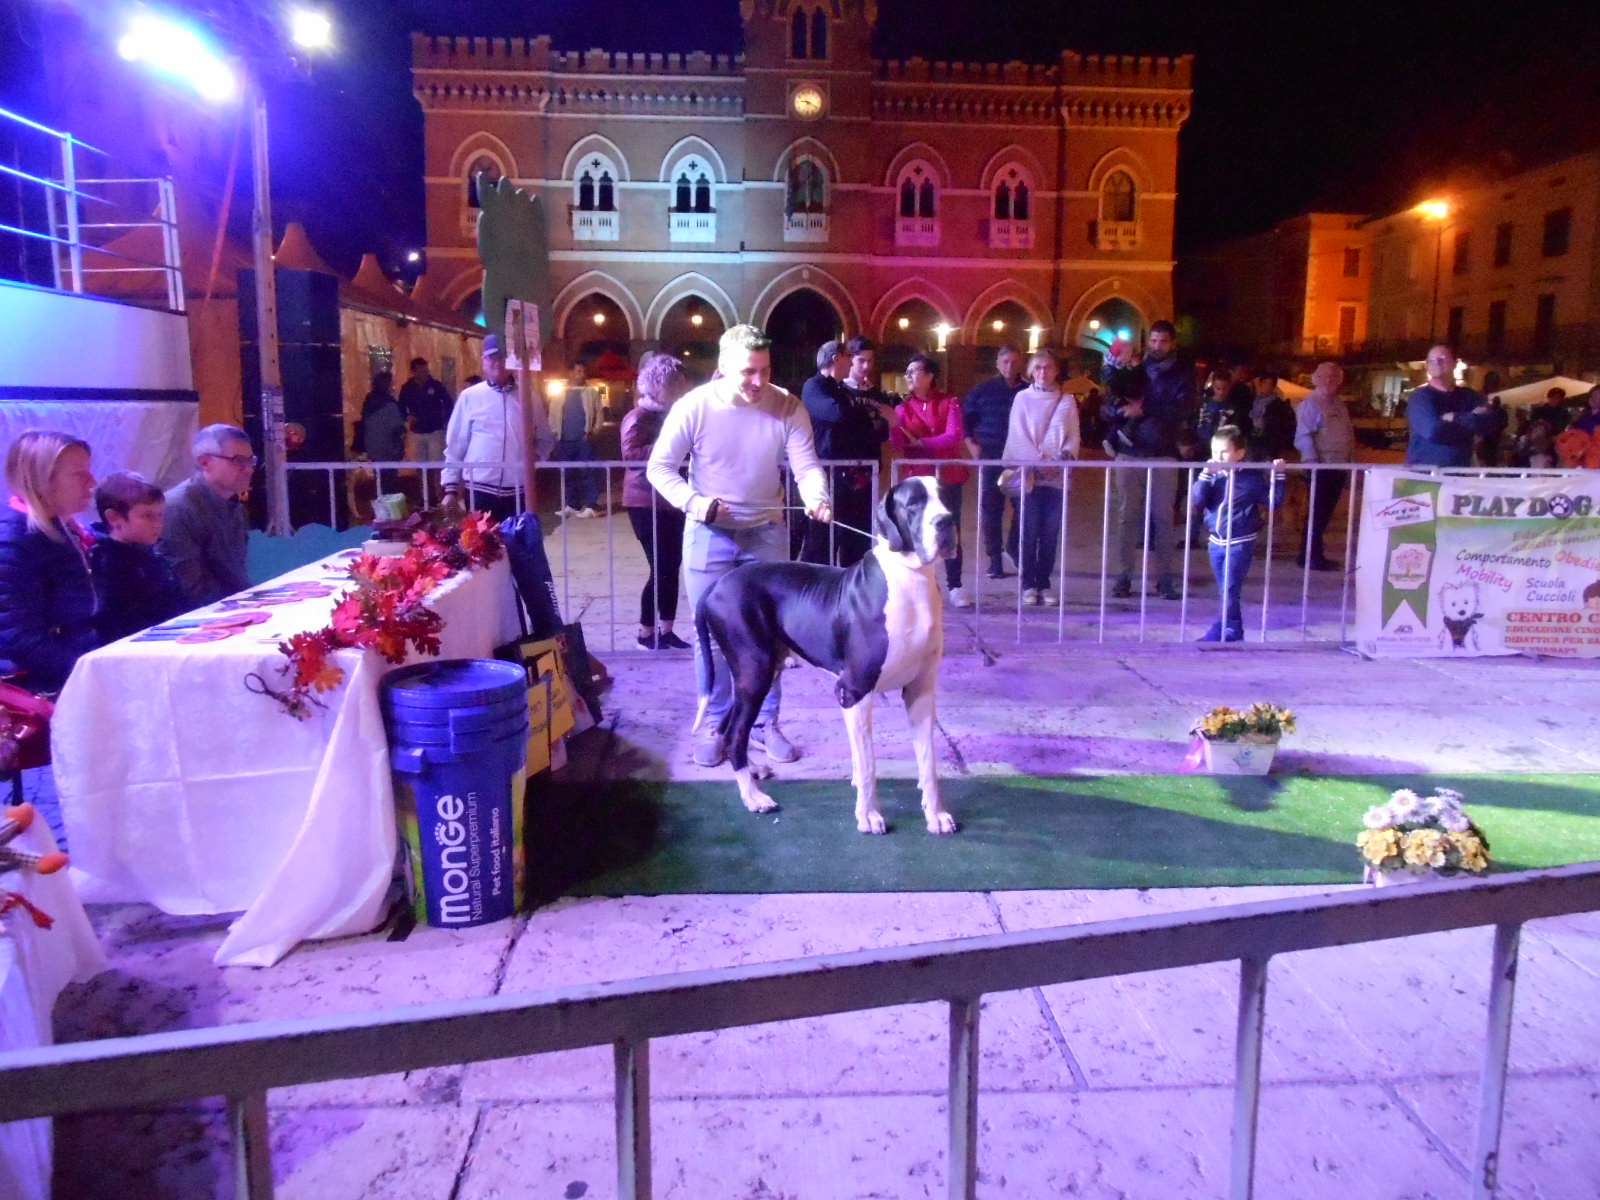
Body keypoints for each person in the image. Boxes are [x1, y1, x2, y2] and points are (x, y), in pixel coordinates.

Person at [647, 324, 831, 768]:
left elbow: (806, 466)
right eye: (748, 371)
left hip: (766, 531)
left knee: (773, 635)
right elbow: (659, 468)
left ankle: (766, 723)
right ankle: (717, 723)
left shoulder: (787, 406)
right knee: (709, 633)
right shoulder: (694, 407)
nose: (758, 381)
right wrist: (696, 503)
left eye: (765, 370)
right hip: (708, 532)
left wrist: (816, 496)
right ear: (724, 366)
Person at [0, 430, 97, 693]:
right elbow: (19, 640)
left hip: (70, 672)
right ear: (42, 479)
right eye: (80, 474)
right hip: (36, 687)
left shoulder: (61, 528)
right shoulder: (12, 542)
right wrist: (91, 676)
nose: (92, 481)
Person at [1102, 321, 1193, 600]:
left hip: (1163, 452)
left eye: (1163, 341)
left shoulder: (1183, 373)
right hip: (1129, 453)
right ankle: (1124, 576)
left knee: (1164, 519)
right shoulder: (1136, 369)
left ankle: (1165, 579)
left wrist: (1145, 409)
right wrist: (1121, 411)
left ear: (1172, 343)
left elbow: (1183, 407)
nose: (1157, 346)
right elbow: (1109, 404)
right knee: (1126, 517)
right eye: (1153, 341)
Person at [441, 334, 556, 522]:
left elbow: (545, 438)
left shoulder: (528, 396)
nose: (498, 363)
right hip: (479, 488)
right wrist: (450, 489)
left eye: (503, 357)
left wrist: (535, 457)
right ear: (483, 362)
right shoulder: (470, 397)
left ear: (511, 361)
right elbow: (455, 445)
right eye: (492, 357)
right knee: (481, 539)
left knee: (516, 539)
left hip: (517, 489)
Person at [621, 352, 692, 650]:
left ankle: (666, 630)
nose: (681, 390)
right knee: (660, 566)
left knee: (671, 565)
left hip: (670, 500)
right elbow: (630, 453)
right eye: (675, 385)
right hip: (644, 501)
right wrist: (668, 447)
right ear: (659, 386)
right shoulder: (638, 417)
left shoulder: (669, 416)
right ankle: (645, 632)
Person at [1190, 425, 1286, 643]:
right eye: (1214, 451)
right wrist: (1205, 475)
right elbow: (1198, 501)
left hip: (1240, 542)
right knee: (1225, 590)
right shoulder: (1213, 477)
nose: (1218, 457)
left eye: (1224, 452)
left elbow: (1273, 501)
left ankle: (1219, 629)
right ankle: (1234, 630)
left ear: (1240, 453)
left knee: (1230, 589)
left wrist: (1279, 476)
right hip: (1215, 542)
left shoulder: (1251, 479)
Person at [890, 353, 971, 606]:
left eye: (914, 371)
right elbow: (899, 443)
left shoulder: (949, 403)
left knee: (950, 529)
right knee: (918, 531)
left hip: (948, 477)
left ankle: (955, 585)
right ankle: (921, 584)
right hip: (917, 479)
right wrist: (893, 425)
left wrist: (923, 443)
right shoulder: (902, 409)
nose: (908, 376)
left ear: (929, 376)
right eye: (907, 372)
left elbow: (954, 435)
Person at [1002, 347, 1080, 606]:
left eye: (1048, 367)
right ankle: (1027, 584)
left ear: (1056, 371)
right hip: (1029, 475)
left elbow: (1073, 437)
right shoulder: (1022, 398)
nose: (1043, 372)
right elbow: (1018, 434)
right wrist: (1036, 463)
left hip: (1056, 477)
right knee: (1028, 530)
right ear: (1030, 371)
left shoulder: (1067, 401)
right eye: (1038, 367)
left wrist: (1058, 461)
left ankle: (1044, 582)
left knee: (1050, 533)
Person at [800, 339, 884, 568]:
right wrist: (862, 413)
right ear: (837, 359)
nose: (852, 362)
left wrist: (863, 416)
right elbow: (836, 414)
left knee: (854, 538)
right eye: (849, 356)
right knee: (822, 540)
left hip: (850, 477)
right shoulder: (814, 386)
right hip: (826, 474)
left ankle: (852, 582)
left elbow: (872, 427)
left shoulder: (841, 390)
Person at [160, 423, 255, 607]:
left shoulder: (236, 507)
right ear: (205, 462)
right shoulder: (177, 508)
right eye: (238, 461)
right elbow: (191, 591)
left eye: (251, 461)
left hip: (231, 608)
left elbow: (236, 577)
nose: (249, 469)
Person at [88, 471, 186, 643]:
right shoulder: (105, 566)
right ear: (114, 518)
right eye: (148, 516)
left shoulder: (152, 554)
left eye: (160, 515)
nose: (158, 523)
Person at [961, 343, 1025, 580]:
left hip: (1020, 457)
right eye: (1005, 361)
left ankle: (1014, 547)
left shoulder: (1028, 391)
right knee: (991, 509)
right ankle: (994, 558)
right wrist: (971, 445)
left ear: (1021, 364)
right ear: (998, 364)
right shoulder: (982, 391)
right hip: (991, 454)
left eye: (1014, 362)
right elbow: (966, 420)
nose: (1010, 366)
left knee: (1023, 506)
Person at [1292, 361, 1356, 571]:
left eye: (1334, 376)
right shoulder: (1310, 404)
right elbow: (1303, 436)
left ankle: (1311, 554)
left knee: (1324, 515)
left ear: (1340, 380)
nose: (1329, 380)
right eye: (1325, 376)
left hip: (1338, 467)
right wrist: (1312, 464)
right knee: (1317, 515)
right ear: (1316, 379)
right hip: (1321, 467)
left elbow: (1347, 434)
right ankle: (1310, 556)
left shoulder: (1339, 404)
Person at [1404, 345, 1491, 467]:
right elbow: (1434, 431)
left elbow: (1488, 423)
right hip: (1424, 473)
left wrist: (1455, 417)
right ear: (1427, 366)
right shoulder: (1420, 397)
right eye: (1431, 360)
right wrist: (1471, 427)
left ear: (1454, 363)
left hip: (1460, 472)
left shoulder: (1469, 396)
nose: (1437, 363)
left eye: (1442, 359)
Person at [551, 362, 604, 518]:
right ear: (571, 373)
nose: (582, 374)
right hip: (565, 440)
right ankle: (572, 504)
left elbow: (599, 414)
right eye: (578, 371)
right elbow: (552, 415)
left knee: (588, 471)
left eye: (583, 371)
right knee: (568, 473)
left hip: (583, 440)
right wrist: (555, 434)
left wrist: (593, 431)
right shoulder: (560, 394)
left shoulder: (591, 393)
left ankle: (592, 505)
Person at [398, 356, 453, 489]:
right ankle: (425, 494)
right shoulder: (407, 388)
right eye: (421, 371)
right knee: (420, 466)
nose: (425, 374)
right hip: (417, 431)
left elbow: (448, 403)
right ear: (414, 372)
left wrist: (444, 420)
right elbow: (400, 407)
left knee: (437, 465)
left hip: (435, 431)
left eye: (426, 370)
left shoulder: (436, 385)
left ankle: (439, 494)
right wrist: (407, 417)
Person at [358, 371, 407, 493]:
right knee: (390, 479)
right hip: (389, 446)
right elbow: (397, 426)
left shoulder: (369, 401)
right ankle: (390, 502)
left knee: (379, 477)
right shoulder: (390, 404)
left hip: (372, 444)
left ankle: (381, 499)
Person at [1246, 370, 1297, 461]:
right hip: (1253, 441)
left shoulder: (1278, 404)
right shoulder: (1255, 402)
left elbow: (1280, 427)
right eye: (1265, 383)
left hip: (1269, 444)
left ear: (1274, 387)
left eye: (1270, 384)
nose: (1267, 386)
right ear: (1261, 384)